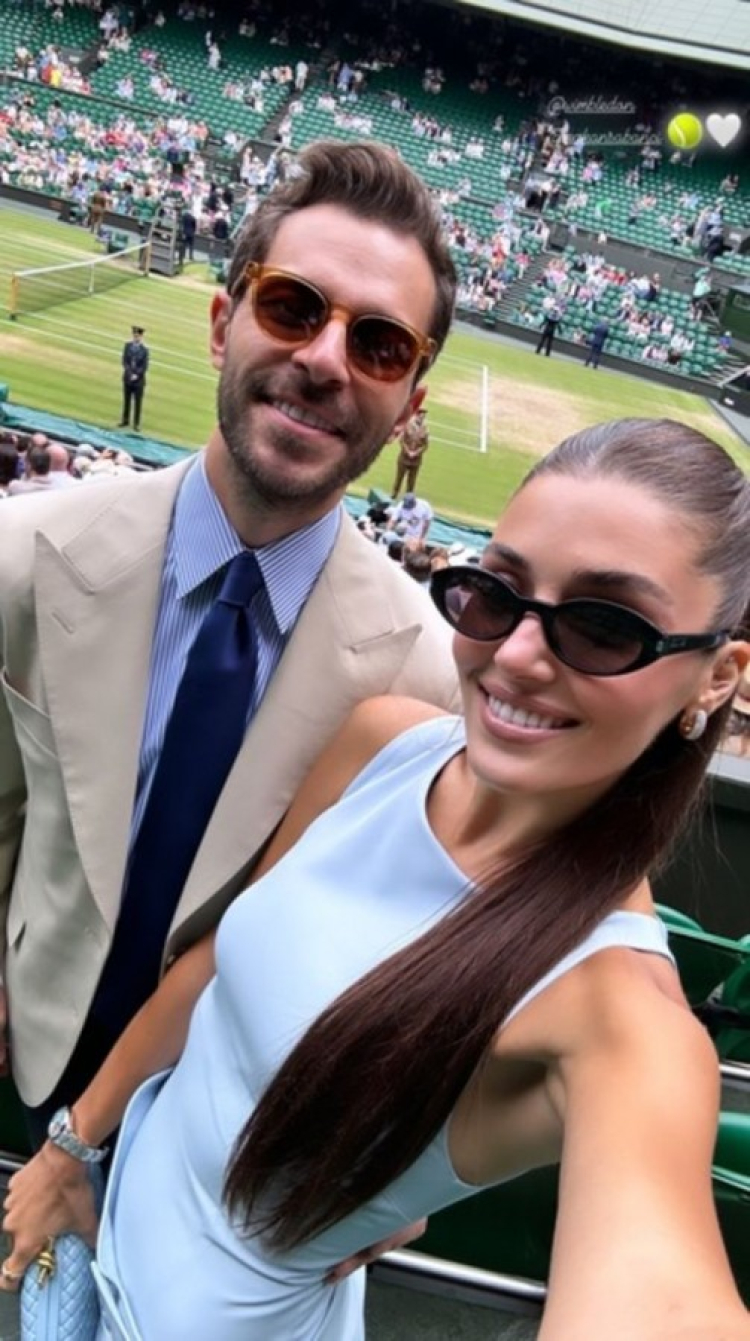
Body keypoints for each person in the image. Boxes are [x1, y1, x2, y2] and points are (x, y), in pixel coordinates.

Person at [3, 418, 749, 1340]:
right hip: (107, 1233)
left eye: (604, 627)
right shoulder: (386, 741)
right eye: (495, 593)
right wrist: (72, 1145)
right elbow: (214, 966)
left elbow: (661, 1292)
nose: (518, 654)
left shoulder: (622, 1013)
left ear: (717, 677)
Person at [0, 140, 460, 1164]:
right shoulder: (23, 555)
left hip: (226, 1141)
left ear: (411, 401)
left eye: (381, 344)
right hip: (27, 1052)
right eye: (293, 306)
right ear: (222, 322)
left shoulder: (428, 681)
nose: (327, 359)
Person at [391, 405, 429, 497]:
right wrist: (408, 451)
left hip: (416, 461)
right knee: (399, 479)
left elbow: (425, 445)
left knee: (411, 483)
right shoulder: (408, 425)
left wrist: (416, 453)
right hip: (404, 458)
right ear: (417, 415)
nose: (422, 417)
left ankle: (408, 500)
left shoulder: (425, 429)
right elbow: (401, 440)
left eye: (424, 415)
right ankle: (394, 495)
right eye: (421, 414)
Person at [119, 327, 149, 431]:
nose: (136, 338)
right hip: (127, 378)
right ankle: (125, 420)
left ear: (141, 337)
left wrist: (136, 375)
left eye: (138, 336)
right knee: (126, 400)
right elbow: (124, 361)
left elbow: (144, 366)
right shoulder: (127, 346)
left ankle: (136, 424)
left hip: (139, 381)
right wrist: (129, 373)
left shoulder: (145, 350)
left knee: (137, 403)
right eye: (135, 336)